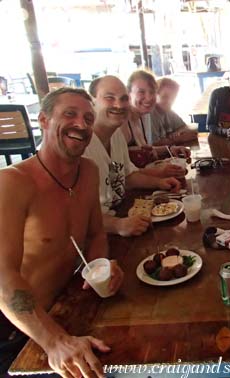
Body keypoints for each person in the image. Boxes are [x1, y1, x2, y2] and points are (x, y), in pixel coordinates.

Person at [0, 87, 124, 376]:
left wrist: (101, 269)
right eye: (70, 114)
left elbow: (95, 235)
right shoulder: (12, 183)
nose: (81, 125)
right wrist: (53, 341)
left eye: (89, 118)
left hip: (65, 311)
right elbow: (2, 276)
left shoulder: (89, 171)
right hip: (16, 329)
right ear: (43, 120)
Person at [84, 75, 182, 237]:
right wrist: (117, 225)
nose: (119, 105)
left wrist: (160, 183)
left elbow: (128, 176)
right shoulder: (82, 147)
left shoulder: (116, 135)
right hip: (98, 233)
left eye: (123, 99)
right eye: (109, 98)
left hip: (121, 214)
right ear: (91, 102)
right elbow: (76, 214)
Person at [120, 70, 190, 166]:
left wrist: (170, 149)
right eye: (141, 92)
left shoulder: (141, 118)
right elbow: (123, 169)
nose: (149, 98)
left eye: (152, 92)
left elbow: (145, 149)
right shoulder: (122, 124)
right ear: (128, 94)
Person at [151, 77, 198, 145]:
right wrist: (179, 139)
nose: (170, 101)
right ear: (154, 95)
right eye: (165, 97)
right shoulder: (150, 114)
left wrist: (179, 132)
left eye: (173, 97)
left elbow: (186, 127)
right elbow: (154, 144)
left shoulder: (169, 111)